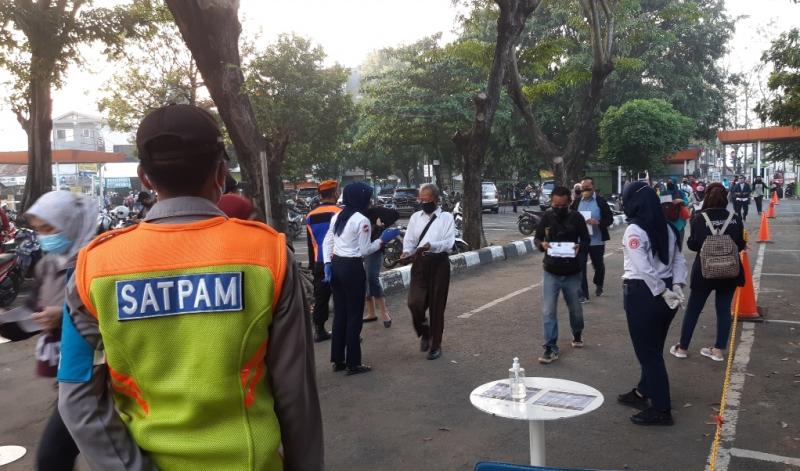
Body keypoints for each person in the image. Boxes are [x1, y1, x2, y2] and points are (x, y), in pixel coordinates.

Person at [57, 104, 324, 470]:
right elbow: (297, 393)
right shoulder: (268, 256)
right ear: (219, 172)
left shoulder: (93, 269)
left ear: (144, 178)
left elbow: (76, 399)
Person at [25, 191, 98, 471]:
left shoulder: (96, 261)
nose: (45, 237)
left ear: (71, 224)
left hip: (100, 377)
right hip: (68, 376)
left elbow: (111, 318)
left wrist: (65, 316)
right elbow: (30, 311)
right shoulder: (48, 264)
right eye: (39, 231)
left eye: (49, 229)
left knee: (52, 458)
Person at [617, 181, 687, 426]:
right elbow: (679, 260)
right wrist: (676, 285)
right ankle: (643, 391)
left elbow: (642, 268)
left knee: (649, 355)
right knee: (654, 349)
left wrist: (662, 290)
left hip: (644, 295)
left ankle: (661, 409)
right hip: (664, 296)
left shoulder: (634, 230)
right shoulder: (666, 226)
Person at [322, 182, 399, 375]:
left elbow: (327, 241)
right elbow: (365, 250)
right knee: (355, 316)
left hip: (337, 265)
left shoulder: (338, 215)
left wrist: (326, 263)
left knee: (340, 314)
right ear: (361, 198)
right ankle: (353, 363)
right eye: (368, 196)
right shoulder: (361, 220)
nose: (370, 200)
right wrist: (383, 239)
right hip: (352, 268)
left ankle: (338, 360)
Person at [670, 183, 746, 362]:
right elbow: (741, 244)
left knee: (694, 310)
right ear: (726, 197)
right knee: (723, 310)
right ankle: (718, 350)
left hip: (704, 272)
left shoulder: (698, 218)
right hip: (729, 271)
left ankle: (682, 348)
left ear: (707, 196)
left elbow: (693, 245)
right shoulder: (735, 218)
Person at [533, 186, 590, 364]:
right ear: (551, 202)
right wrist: (542, 244)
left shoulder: (577, 218)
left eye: (562, 205)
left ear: (569, 203)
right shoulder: (547, 218)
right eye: (555, 205)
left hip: (572, 273)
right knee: (548, 311)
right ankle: (550, 347)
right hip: (551, 271)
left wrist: (581, 247)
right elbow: (537, 238)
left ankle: (577, 332)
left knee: (575, 310)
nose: (558, 208)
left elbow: (586, 239)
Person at [402, 183, 455, 360]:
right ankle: (424, 331)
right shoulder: (415, 217)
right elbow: (409, 241)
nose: (423, 202)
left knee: (437, 306)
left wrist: (432, 245)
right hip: (420, 263)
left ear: (436, 199)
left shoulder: (446, 217)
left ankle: (435, 344)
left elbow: (449, 243)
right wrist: (406, 252)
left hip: (439, 263)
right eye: (421, 199)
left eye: (427, 199)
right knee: (414, 302)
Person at [306, 180, 341, 342]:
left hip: (319, 261)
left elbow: (310, 243)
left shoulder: (310, 216)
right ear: (335, 193)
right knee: (342, 297)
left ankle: (319, 330)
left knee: (321, 297)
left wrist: (313, 265)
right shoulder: (339, 212)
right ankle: (345, 331)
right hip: (339, 260)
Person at [570, 177, 613, 302]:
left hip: (597, 240)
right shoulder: (577, 202)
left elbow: (609, 219)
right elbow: (570, 217)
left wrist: (598, 222)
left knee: (599, 266)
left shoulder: (600, 202)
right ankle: (583, 295)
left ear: (593, 188)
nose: (585, 190)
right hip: (581, 241)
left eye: (587, 188)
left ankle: (599, 284)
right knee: (580, 267)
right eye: (583, 188)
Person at [363, 203, 400, 327]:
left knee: (372, 279)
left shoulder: (374, 211)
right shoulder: (352, 213)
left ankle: (384, 312)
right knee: (364, 280)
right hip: (356, 251)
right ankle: (371, 312)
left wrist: (381, 225)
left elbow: (395, 214)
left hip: (374, 250)